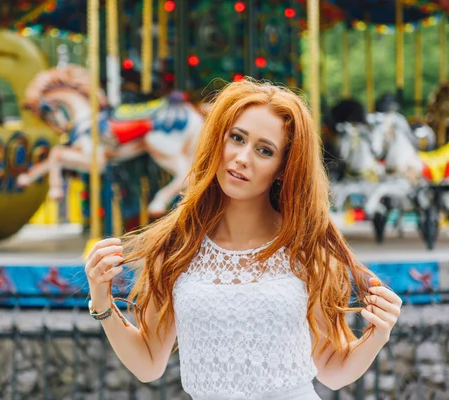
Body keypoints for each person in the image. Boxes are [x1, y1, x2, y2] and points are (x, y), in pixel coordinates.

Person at [84, 80, 402, 399]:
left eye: (265, 150)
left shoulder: (306, 249)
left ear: (282, 167)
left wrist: (378, 334)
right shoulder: (177, 247)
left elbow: (333, 370)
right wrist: (102, 301)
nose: (242, 157)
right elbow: (149, 363)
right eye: (237, 138)